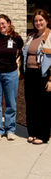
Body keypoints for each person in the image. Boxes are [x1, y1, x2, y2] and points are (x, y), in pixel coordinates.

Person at [0, 14, 23, 141]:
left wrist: (18, 61)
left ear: (8, 23)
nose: (1, 26)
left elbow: (21, 51)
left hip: (11, 73)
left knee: (11, 103)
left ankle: (10, 129)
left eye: (3, 23)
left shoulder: (16, 38)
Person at [22, 9, 51, 144]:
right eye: (36, 20)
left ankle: (43, 135)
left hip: (43, 75)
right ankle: (32, 132)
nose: (38, 23)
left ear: (46, 20)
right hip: (30, 74)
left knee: (43, 106)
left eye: (41, 20)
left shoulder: (50, 36)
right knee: (31, 104)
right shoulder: (31, 36)